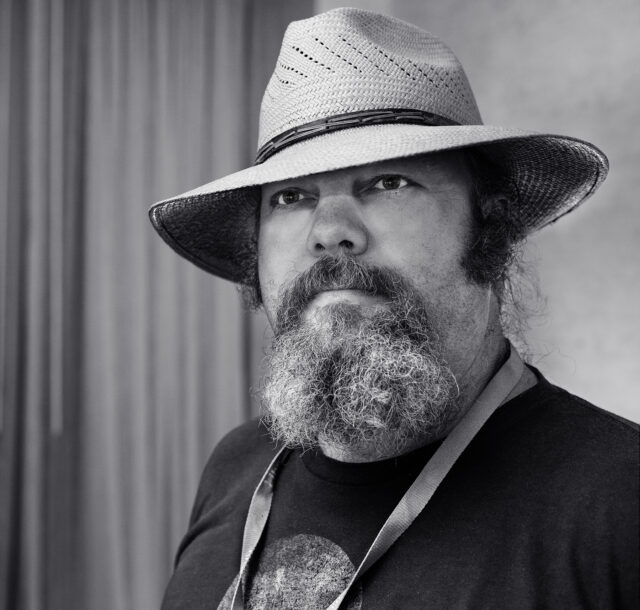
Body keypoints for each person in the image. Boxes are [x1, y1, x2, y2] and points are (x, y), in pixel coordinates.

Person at [149, 8, 639, 609]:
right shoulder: (236, 467)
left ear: (489, 226)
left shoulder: (618, 499)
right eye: (291, 196)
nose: (330, 231)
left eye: (388, 182)